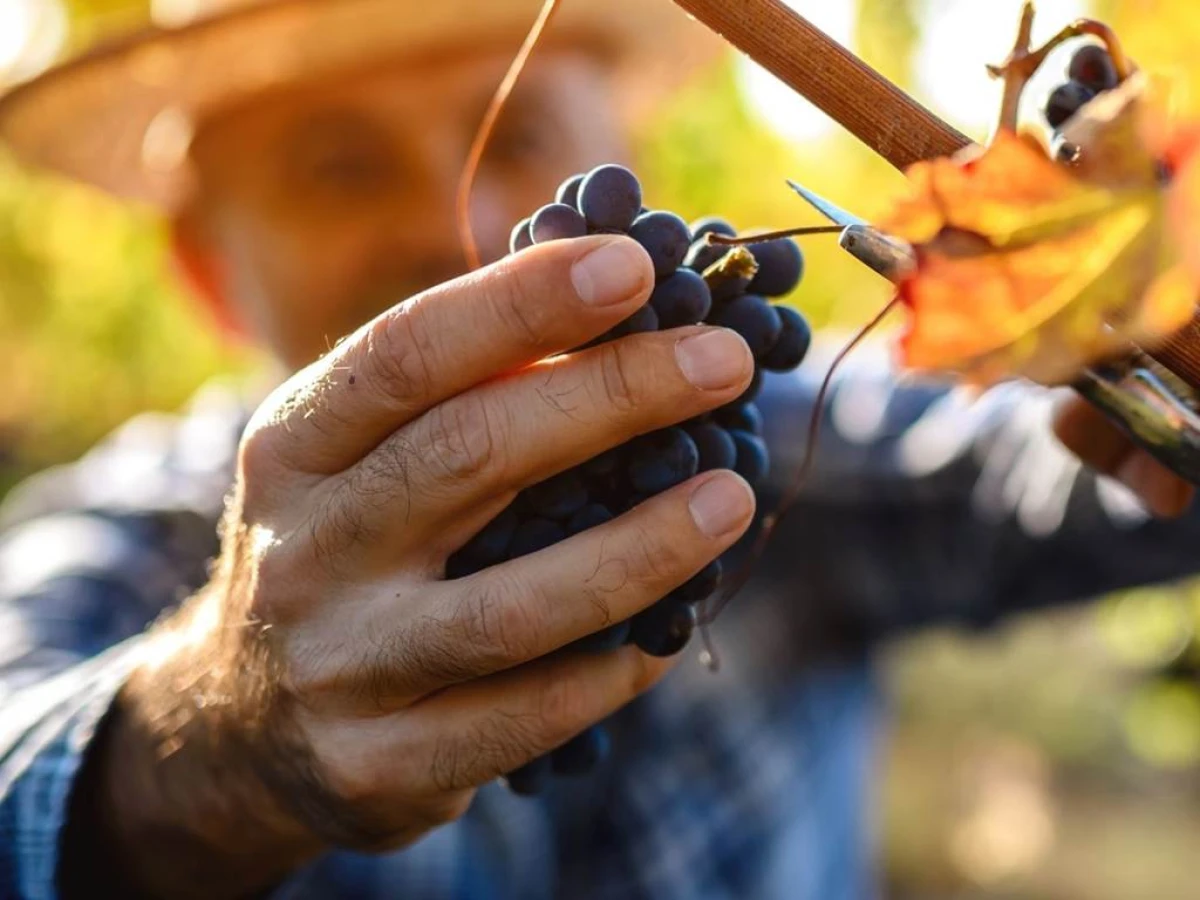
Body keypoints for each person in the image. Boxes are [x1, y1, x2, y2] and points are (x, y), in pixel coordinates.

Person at [1, 0, 1198, 898]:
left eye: (512, 132)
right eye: (338, 167)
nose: (456, 222)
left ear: (629, 143)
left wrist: (1154, 391)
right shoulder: (128, 541)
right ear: (211, 277)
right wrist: (215, 733)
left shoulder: (773, 435)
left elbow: (1037, 466)